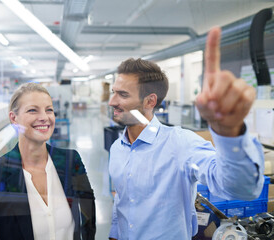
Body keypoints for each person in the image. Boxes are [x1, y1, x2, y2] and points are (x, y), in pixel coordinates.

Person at [108, 26, 264, 239]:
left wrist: (230, 133)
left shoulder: (181, 144)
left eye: (122, 95)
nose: (111, 101)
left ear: (150, 101)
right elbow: (121, 201)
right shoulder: (118, 148)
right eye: (113, 92)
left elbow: (241, 189)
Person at [0, 83, 96, 240]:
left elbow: (88, 212)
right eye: (33, 110)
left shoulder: (70, 161)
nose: (44, 117)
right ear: (14, 118)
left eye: (49, 110)